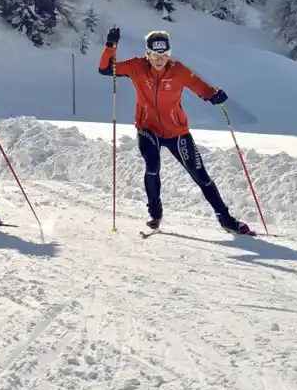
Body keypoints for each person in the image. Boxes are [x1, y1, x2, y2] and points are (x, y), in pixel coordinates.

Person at [98, 27, 252, 235]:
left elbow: (201, 87)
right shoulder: (136, 66)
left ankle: (226, 219)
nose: (160, 60)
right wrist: (110, 46)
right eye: (155, 55)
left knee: (200, 175)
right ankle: (155, 214)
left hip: (177, 131)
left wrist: (214, 95)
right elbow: (105, 69)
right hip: (148, 128)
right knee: (152, 166)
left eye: (165, 55)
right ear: (147, 53)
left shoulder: (178, 70)